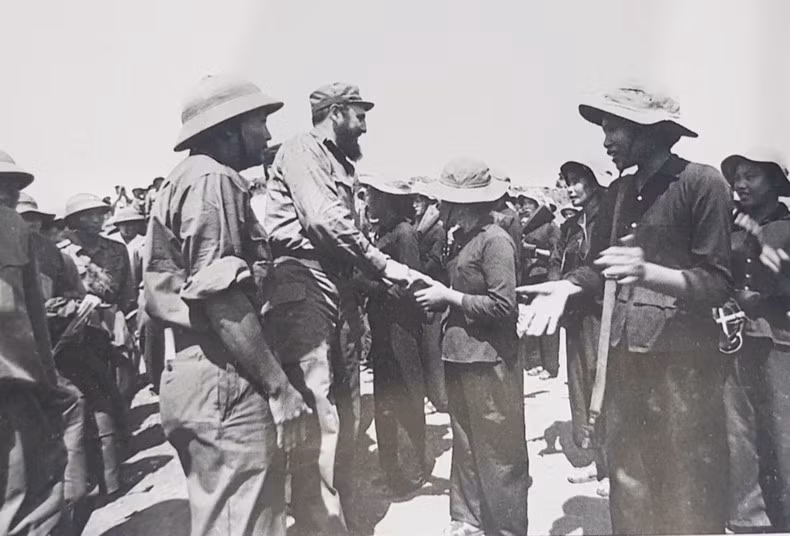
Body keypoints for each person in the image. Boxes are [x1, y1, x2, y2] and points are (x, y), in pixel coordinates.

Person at [519, 84, 733, 535]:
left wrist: (647, 271)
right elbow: (601, 266)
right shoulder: (618, 192)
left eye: (613, 129)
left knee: (686, 486)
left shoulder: (703, 183)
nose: (605, 141)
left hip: (683, 367)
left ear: (649, 130)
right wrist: (566, 287)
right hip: (624, 359)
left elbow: (717, 283)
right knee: (629, 481)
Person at [142, 74, 311, 536]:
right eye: (259, 123)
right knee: (247, 521)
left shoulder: (186, 178)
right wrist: (279, 387)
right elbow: (222, 296)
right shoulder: (213, 179)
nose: (268, 135)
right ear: (228, 130)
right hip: (224, 373)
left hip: (198, 371)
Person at [263, 82, 413, 534]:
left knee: (347, 408)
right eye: (359, 116)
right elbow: (324, 220)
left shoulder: (341, 163)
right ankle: (320, 522)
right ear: (337, 112)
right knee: (317, 409)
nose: (364, 127)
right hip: (304, 281)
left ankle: (340, 510)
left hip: (337, 282)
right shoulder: (302, 150)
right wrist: (382, 265)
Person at [414, 158, 529, 536]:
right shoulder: (462, 238)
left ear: (464, 204)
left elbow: (504, 306)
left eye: (444, 201)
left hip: (489, 359)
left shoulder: (495, 241)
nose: (438, 208)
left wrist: (449, 297)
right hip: (460, 354)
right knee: (465, 443)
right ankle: (468, 518)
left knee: (498, 449)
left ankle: (506, 527)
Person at [719, 148, 790, 532]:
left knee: (782, 431)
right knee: (738, 430)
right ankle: (748, 517)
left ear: (775, 181)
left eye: (751, 176)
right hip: (734, 339)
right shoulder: (729, 228)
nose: (740, 184)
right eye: (737, 177)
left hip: (781, 343)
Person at [0, 149, 68, 535]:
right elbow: (16, 314)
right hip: (10, 382)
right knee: (29, 501)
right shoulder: (9, 225)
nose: (11, 195)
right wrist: (45, 384)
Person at [358, 174, 433, 497]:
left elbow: (411, 287)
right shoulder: (386, 232)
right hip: (384, 330)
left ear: (388, 200)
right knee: (386, 402)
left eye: (373, 196)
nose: (369, 202)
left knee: (406, 399)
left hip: (401, 331)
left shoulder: (404, 234)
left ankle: (411, 473)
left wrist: (366, 285)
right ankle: (393, 472)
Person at [550, 161, 609, 495]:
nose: (570, 189)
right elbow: (555, 262)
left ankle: (613, 466)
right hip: (575, 317)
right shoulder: (570, 226)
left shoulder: (608, 221)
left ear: (594, 182)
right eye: (567, 182)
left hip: (602, 314)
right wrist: (551, 292)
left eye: (577, 182)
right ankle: (596, 459)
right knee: (580, 387)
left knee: (604, 385)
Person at [61, 193, 139, 405]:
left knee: (124, 370)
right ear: (73, 220)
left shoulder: (117, 249)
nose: (96, 220)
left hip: (113, 317)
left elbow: (127, 289)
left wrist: (127, 319)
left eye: (100, 214)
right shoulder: (63, 253)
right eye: (87, 215)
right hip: (79, 321)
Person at [412, 180, 449, 413]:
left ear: (428, 203)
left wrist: (414, 271)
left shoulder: (437, 230)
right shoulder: (416, 225)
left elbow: (435, 261)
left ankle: (440, 398)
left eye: (420, 200)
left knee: (432, 348)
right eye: (413, 200)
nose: (415, 204)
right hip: (420, 291)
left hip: (432, 290)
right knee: (423, 348)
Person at [520, 198, 561, 380]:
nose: (525, 207)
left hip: (546, 278)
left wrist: (534, 251)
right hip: (530, 279)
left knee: (548, 323)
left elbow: (556, 255)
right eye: (523, 203)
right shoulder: (525, 228)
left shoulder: (552, 227)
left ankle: (550, 366)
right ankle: (534, 362)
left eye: (530, 203)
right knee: (531, 320)